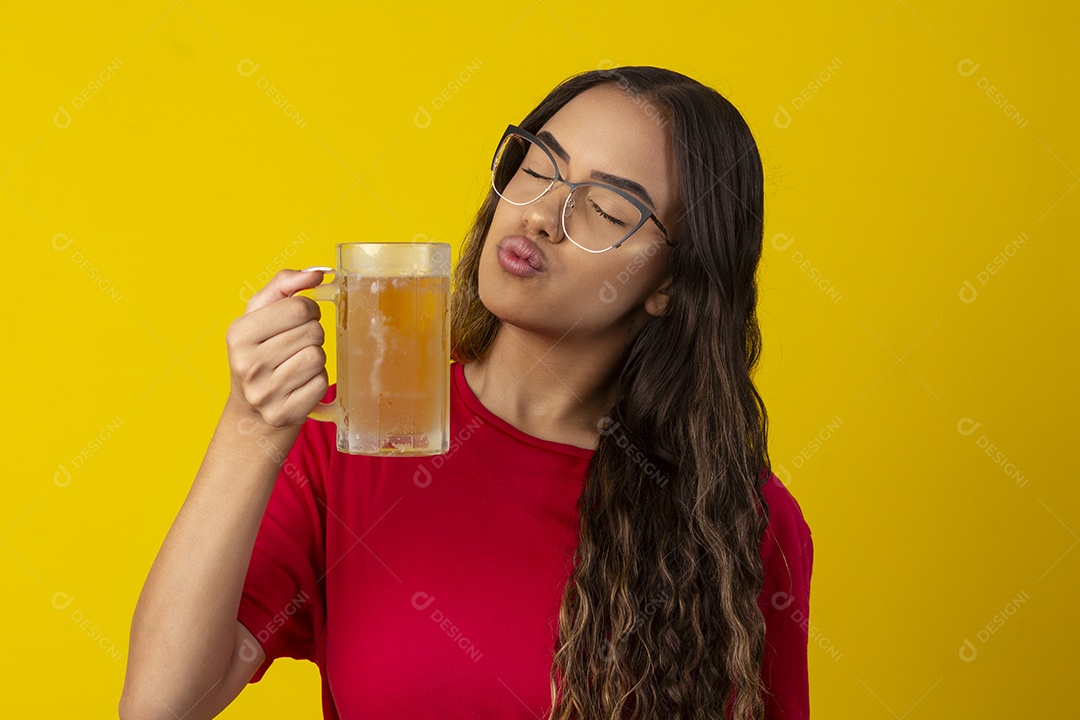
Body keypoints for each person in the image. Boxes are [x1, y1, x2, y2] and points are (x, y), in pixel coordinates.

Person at [120, 65, 813, 720]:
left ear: (670, 284)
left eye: (605, 208)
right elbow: (161, 705)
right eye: (537, 165)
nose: (542, 214)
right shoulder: (354, 435)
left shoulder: (739, 524)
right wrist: (252, 426)